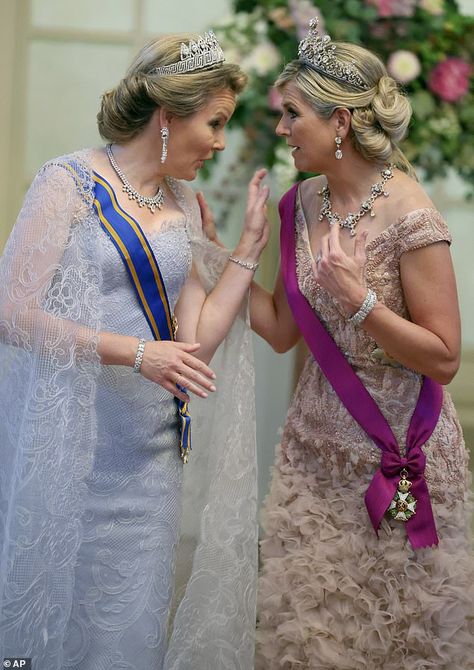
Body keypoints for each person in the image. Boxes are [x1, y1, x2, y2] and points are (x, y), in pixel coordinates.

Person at [0, 31, 269, 669]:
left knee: (124, 640)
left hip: (149, 464)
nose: (222, 141)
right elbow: (12, 313)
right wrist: (136, 354)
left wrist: (249, 249)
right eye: (216, 122)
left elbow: (193, 345)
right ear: (169, 116)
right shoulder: (66, 182)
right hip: (72, 451)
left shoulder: (182, 204)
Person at [249, 18, 474, 669]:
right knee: (312, 637)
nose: (282, 129)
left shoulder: (412, 216)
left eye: (293, 114)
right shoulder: (299, 204)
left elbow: (444, 355)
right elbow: (285, 331)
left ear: (340, 121)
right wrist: (222, 258)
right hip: (313, 455)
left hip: (402, 453)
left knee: (399, 639)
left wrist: (361, 302)